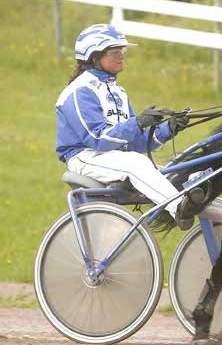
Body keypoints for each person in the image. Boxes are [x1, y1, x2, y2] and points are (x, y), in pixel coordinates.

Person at [55, 23, 201, 230]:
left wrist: (168, 128)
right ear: (94, 56)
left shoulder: (117, 91)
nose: (121, 55)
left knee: (173, 172)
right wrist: (138, 122)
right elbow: (98, 140)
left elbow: (134, 142)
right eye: (114, 51)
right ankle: (178, 207)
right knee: (136, 163)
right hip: (85, 156)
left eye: (121, 51)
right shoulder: (79, 91)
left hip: (113, 156)